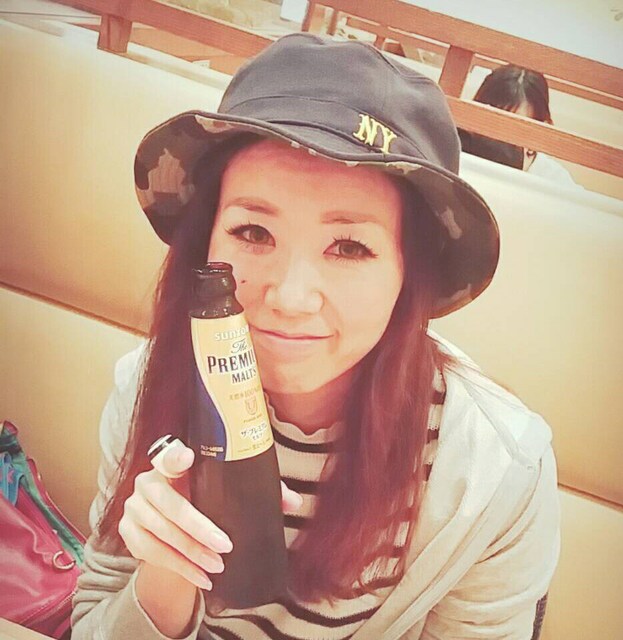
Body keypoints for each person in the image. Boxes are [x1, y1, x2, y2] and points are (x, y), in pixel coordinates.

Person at [71, 34, 560, 640]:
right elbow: (91, 616)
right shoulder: (152, 385)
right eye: (253, 232)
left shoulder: (495, 474)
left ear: (410, 274)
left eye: (349, 246)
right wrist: (166, 575)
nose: (290, 297)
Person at [462, 64, 581, 187]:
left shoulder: (553, 179)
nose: (501, 142)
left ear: (539, 131)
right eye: (493, 124)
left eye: (515, 130)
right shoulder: (459, 152)